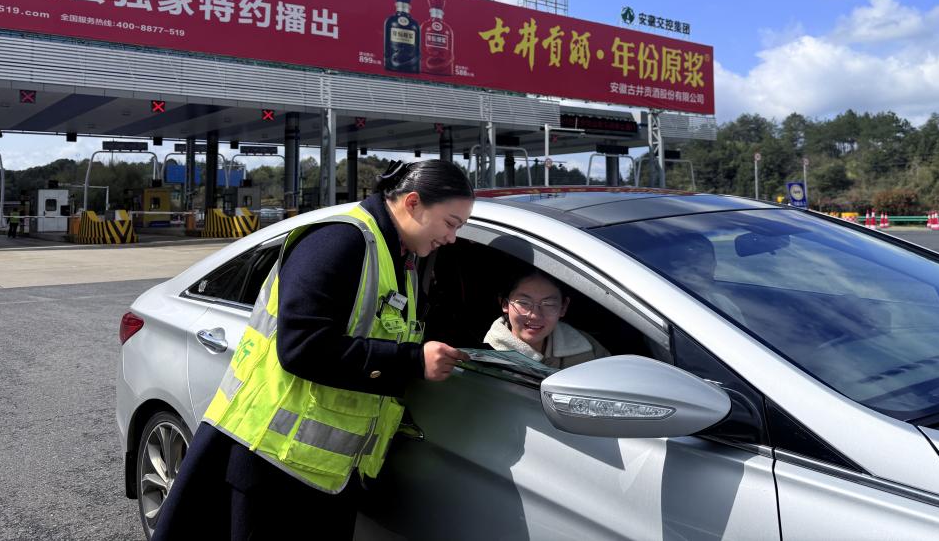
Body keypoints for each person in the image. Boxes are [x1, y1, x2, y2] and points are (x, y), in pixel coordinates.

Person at [154, 159, 474, 540]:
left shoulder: (399, 257)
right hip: (273, 468)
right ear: (413, 203)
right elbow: (302, 348)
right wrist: (412, 361)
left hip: (325, 475)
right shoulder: (341, 242)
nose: (452, 237)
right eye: (450, 223)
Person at [484, 267, 610, 369]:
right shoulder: (486, 357)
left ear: (563, 307)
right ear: (505, 304)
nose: (535, 315)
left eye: (548, 304)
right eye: (524, 303)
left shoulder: (587, 347)